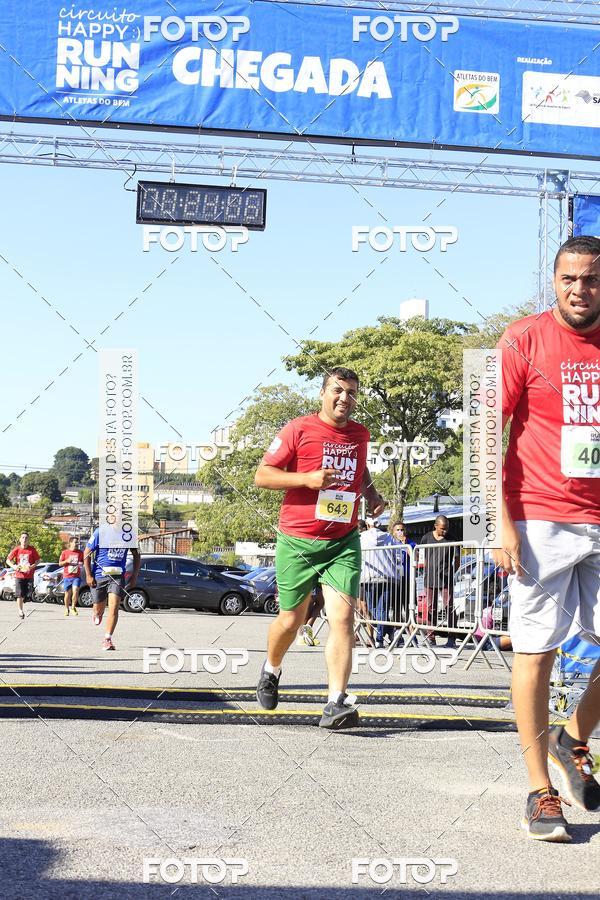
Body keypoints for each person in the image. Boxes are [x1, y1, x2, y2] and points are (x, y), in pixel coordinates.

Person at [493, 235, 600, 842]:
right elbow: (485, 432)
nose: (579, 290)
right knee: (536, 653)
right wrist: (497, 522)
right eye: (568, 279)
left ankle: (573, 738)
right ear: (553, 281)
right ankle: (540, 791)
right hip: (539, 516)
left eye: (591, 279)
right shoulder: (522, 338)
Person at [254, 366, 385, 729]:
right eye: (338, 390)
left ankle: (335, 702)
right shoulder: (298, 429)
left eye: (352, 392)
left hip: (343, 541)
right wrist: (306, 479)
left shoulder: (360, 434)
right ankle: (271, 669)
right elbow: (262, 475)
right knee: (291, 620)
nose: (345, 398)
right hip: (297, 540)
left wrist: (372, 494)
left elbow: (359, 470)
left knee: (343, 618)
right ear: (323, 393)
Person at [83, 527, 141, 650]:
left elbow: (136, 555)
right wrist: (88, 575)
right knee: (98, 609)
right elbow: (86, 553)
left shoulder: (129, 534)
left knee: (114, 607)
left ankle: (107, 639)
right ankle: (97, 613)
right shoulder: (100, 532)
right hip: (99, 575)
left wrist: (135, 575)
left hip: (118, 576)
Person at [418, 516, 459, 647]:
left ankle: (452, 637)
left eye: (447, 528)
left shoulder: (452, 539)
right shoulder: (426, 538)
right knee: (431, 608)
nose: (445, 531)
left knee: (449, 607)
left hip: (446, 579)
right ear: (435, 526)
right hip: (429, 578)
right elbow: (419, 553)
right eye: (442, 529)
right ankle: (431, 637)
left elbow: (457, 559)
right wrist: (423, 568)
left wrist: (452, 572)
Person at [6, 532, 40, 619]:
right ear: (20, 539)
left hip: (29, 576)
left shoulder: (32, 550)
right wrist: (14, 566)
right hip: (19, 575)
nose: (24, 539)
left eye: (26, 538)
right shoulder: (17, 549)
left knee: (28, 595)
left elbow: (38, 561)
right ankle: (20, 611)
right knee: (19, 594)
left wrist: (31, 566)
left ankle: (25, 598)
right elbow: (8, 560)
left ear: (28, 540)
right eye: (23, 537)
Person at [59, 537, 83, 617]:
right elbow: (60, 563)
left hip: (76, 576)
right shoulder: (65, 552)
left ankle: (73, 607)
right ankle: (67, 609)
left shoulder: (80, 553)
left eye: (77, 542)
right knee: (67, 594)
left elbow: (82, 562)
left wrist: (81, 564)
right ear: (70, 543)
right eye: (75, 542)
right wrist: (67, 561)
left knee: (75, 590)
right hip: (67, 576)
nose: (77, 544)